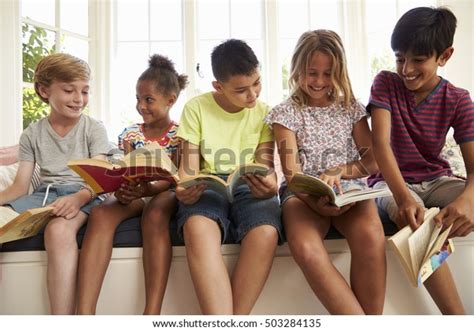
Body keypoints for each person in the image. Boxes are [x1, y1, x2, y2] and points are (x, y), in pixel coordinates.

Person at [266, 30, 386, 314]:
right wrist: (314, 201)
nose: (319, 81)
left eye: (328, 73)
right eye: (312, 72)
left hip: (349, 193)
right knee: (305, 247)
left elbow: (371, 163)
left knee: (371, 235)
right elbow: (292, 174)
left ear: (339, 72)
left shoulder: (351, 109)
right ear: (296, 69)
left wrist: (340, 170)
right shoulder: (285, 113)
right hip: (303, 195)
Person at [369, 7, 474, 314]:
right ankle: (457, 318)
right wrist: (403, 198)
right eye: (400, 57)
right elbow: (380, 145)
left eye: (418, 60)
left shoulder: (458, 99)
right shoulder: (385, 83)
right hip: (391, 183)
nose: (406, 69)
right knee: (417, 221)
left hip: (437, 179)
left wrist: (468, 200)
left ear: (444, 56)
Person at [175, 39, 282, 314]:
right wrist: (183, 187)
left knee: (266, 233)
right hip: (207, 184)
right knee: (197, 229)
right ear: (218, 87)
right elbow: (188, 167)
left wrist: (270, 186)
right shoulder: (196, 108)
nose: (253, 95)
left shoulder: (264, 113)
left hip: (249, 184)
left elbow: (265, 164)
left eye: (257, 83)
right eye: (242, 90)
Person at [76, 54, 188, 314]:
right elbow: (124, 168)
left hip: (165, 192)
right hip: (134, 192)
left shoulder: (181, 134)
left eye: (149, 99)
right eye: (138, 99)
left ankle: (151, 312)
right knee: (102, 212)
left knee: (157, 211)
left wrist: (150, 188)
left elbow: (176, 177)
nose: (141, 106)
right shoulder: (129, 134)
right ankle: (84, 312)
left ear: (170, 100)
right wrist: (122, 186)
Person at [0, 53, 110, 314]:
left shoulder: (94, 129)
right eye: (69, 90)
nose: (78, 99)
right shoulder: (32, 134)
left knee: (58, 232)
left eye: (84, 91)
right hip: (43, 196)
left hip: (85, 192)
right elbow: (20, 187)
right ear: (44, 90)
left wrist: (78, 199)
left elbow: (100, 177)